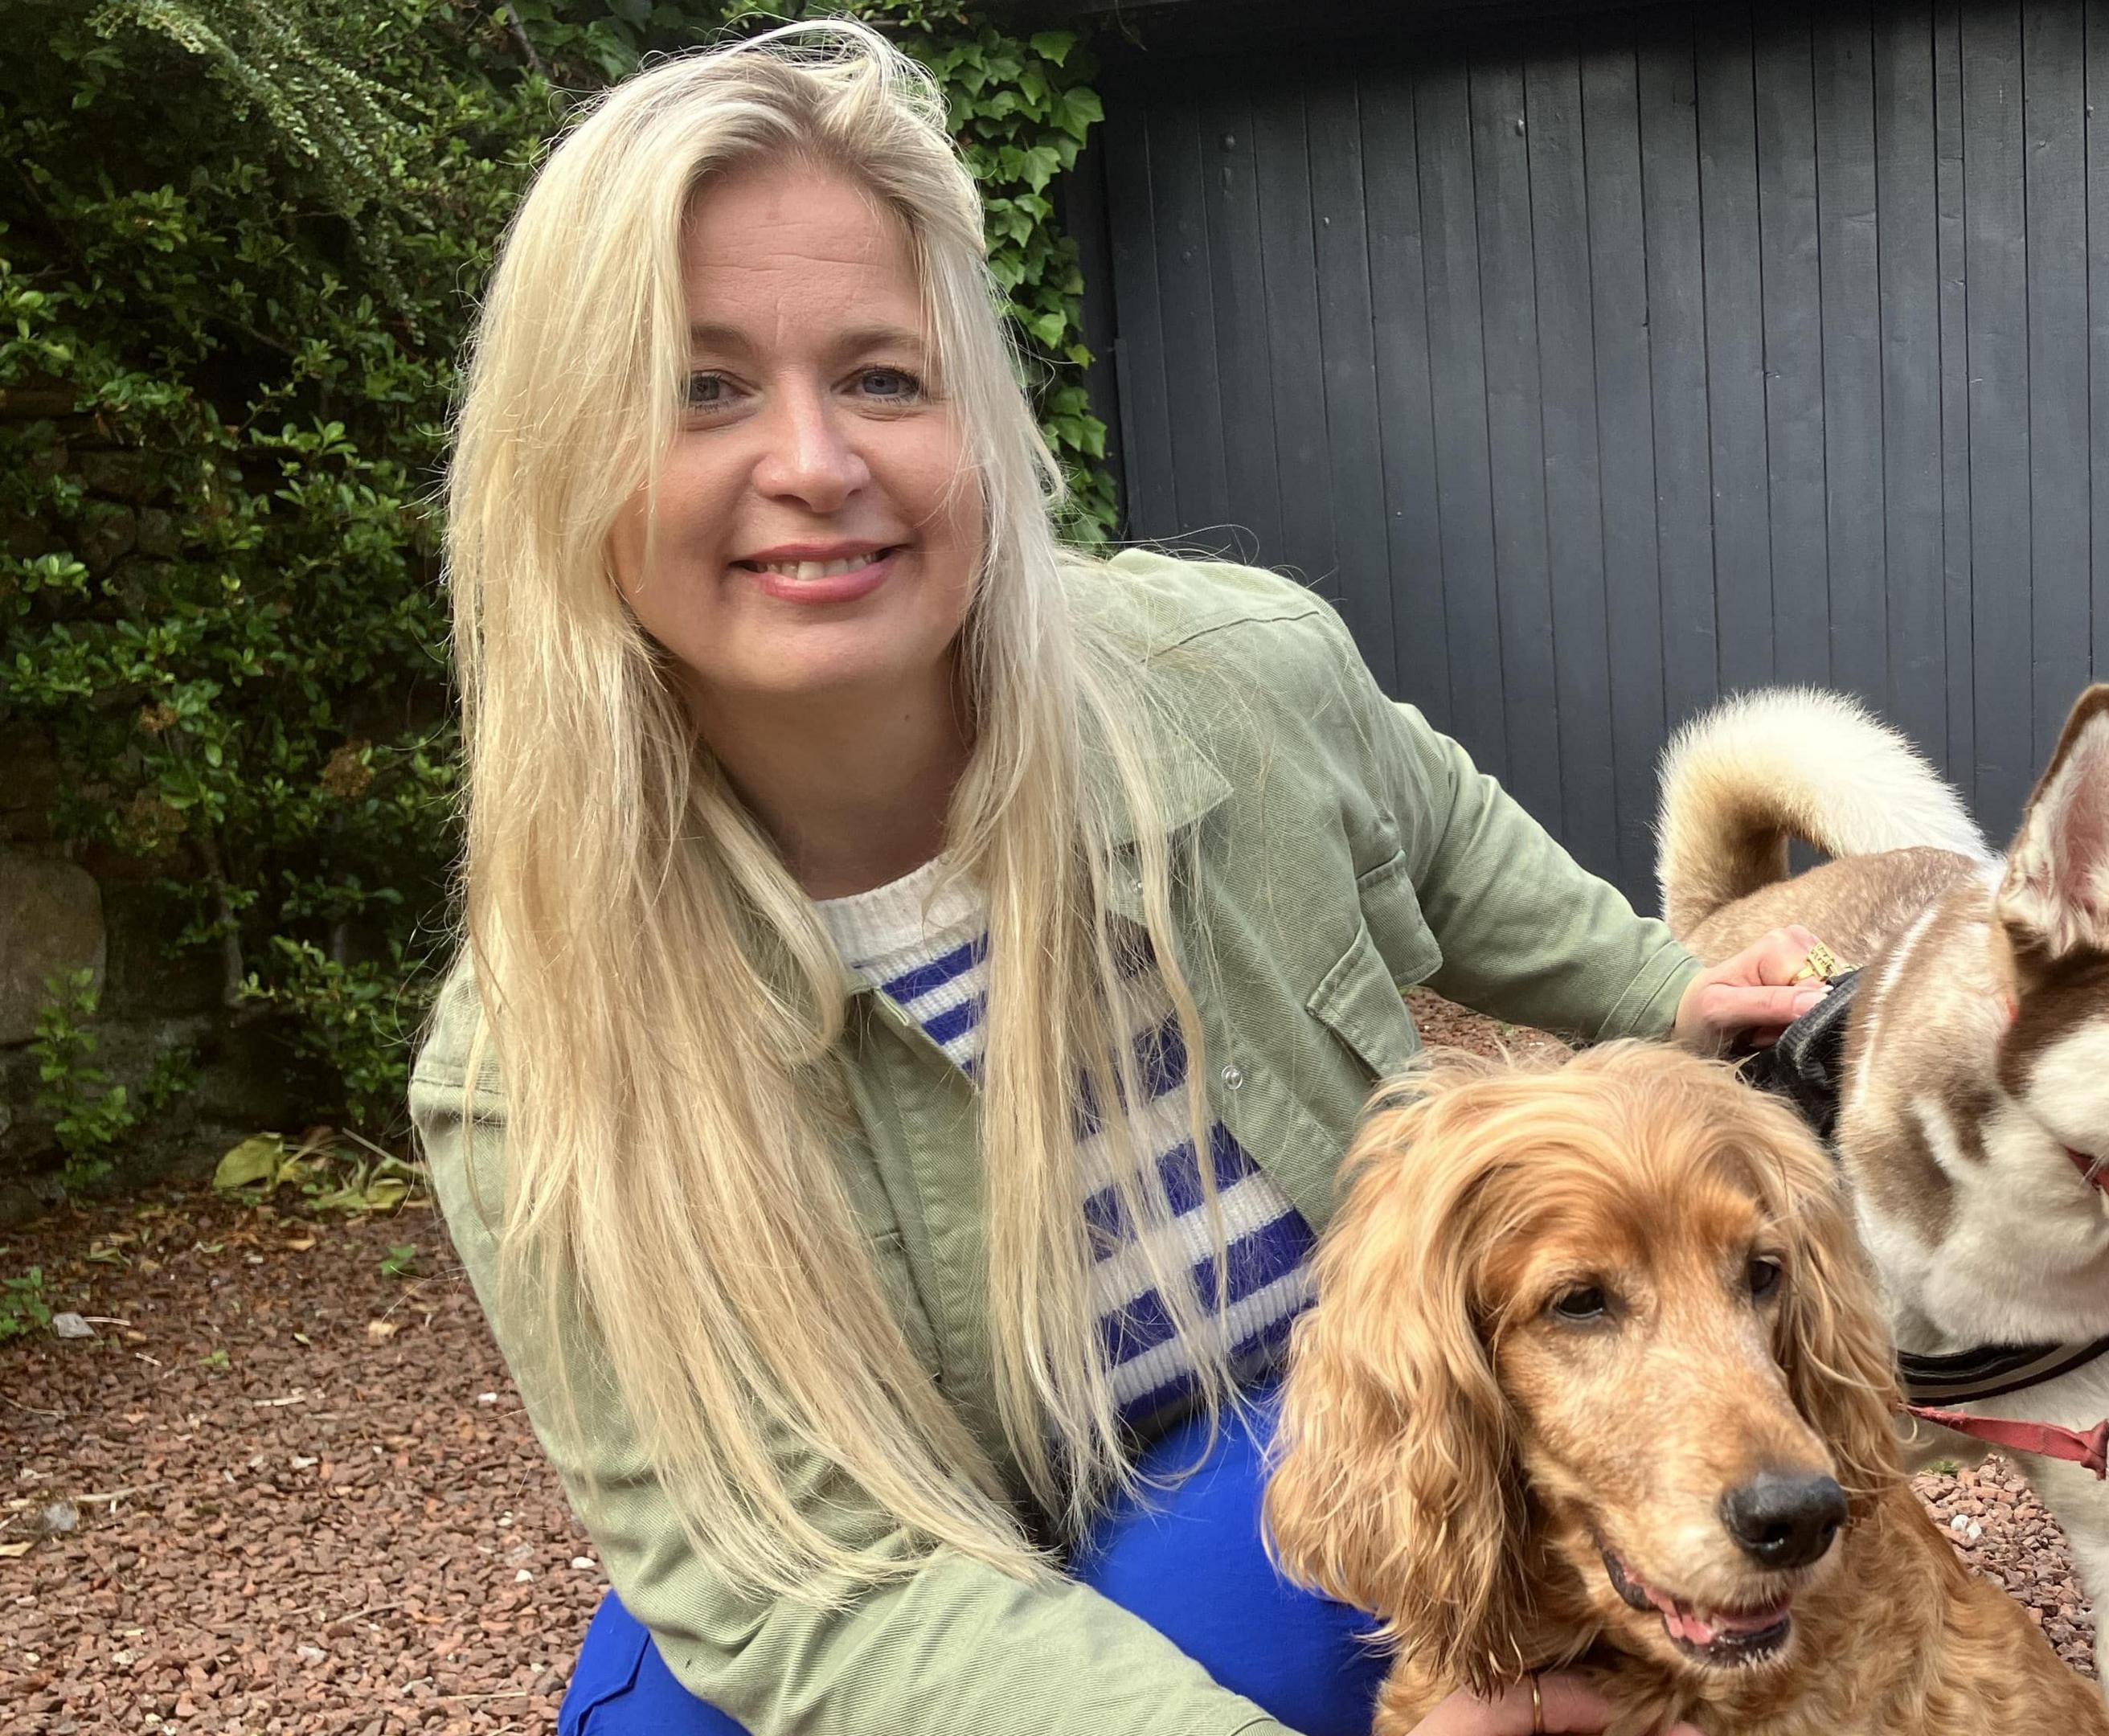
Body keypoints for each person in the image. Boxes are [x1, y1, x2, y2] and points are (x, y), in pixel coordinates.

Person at [417, 21, 1825, 1736]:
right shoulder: (529, 1057)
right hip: (909, 1560)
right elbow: (808, 1595)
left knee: (1341, 1582)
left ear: (975, 423)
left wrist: (1650, 989)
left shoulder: (1227, 669)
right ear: (567, 454)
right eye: (700, 386)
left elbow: (1439, 834)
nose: (814, 462)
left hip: (1258, 1441)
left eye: (881, 373)